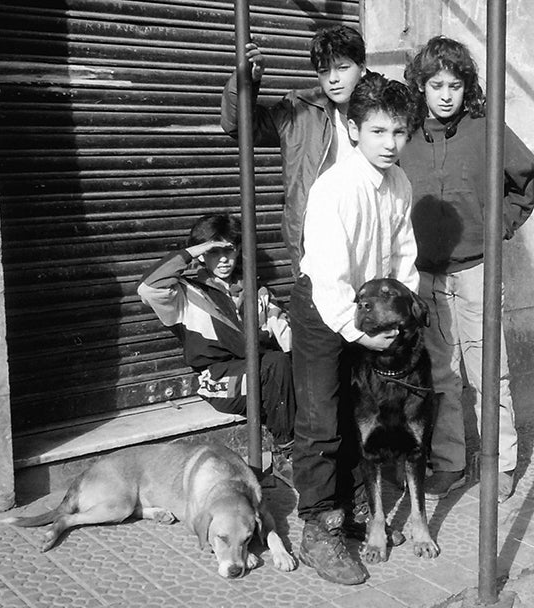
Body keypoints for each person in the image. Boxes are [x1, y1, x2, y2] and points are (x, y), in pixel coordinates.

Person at [401, 36, 534, 503]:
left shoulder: (486, 130)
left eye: (456, 85)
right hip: (425, 276)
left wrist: (495, 227)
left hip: (478, 271)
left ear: (468, 89)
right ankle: (448, 463)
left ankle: (499, 463)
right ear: (421, 86)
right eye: (436, 84)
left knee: (488, 372)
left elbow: (526, 179)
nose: (446, 95)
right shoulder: (404, 139)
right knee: (439, 373)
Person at [291, 73, 420, 585]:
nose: (390, 144)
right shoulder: (335, 188)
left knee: (359, 412)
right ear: (353, 129)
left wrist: (398, 318)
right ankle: (319, 529)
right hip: (327, 310)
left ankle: (357, 509)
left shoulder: (400, 184)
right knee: (321, 417)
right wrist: (354, 328)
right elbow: (328, 275)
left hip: (373, 313)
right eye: (378, 131)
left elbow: (403, 258)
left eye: (400, 132)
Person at [137, 214, 295, 484]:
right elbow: (148, 288)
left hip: (262, 373)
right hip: (218, 380)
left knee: (291, 368)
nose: (224, 259)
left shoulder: (256, 291)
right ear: (202, 254)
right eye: (214, 251)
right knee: (276, 367)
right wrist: (191, 252)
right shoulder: (184, 295)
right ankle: (286, 453)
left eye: (229, 250)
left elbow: (285, 335)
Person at [220, 25, 368, 278]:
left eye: (343, 68)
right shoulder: (299, 108)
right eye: (324, 71)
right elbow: (238, 125)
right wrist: (248, 80)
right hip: (317, 240)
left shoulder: (383, 108)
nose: (333, 79)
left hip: (367, 234)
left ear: (362, 67)